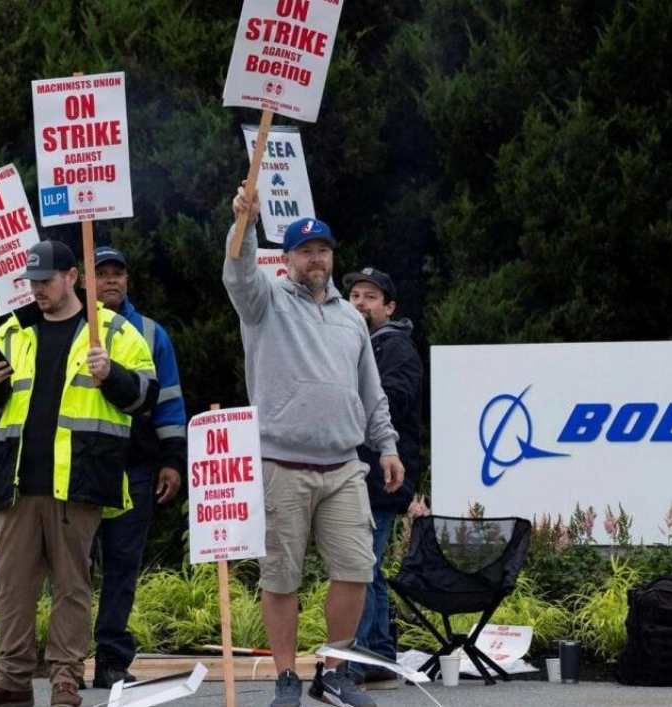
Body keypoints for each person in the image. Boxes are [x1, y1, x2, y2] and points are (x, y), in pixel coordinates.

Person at [223, 185, 404, 707]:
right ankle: (285, 677)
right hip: (281, 462)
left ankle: (334, 672)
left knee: (355, 569)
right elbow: (237, 271)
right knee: (282, 575)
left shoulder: (351, 316)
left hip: (345, 464)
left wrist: (386, 446)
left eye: (323, 249)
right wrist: (245, 223)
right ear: (289, 258)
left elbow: (370, 390)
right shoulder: (264, 300)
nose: (316, 258)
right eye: (305, 251)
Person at [0, 240, 158, 707]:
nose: (38, 290)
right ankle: (12, 679)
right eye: (32, 282)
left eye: (46, 280)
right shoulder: (10, 330)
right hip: (18, 481)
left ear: (72, 278)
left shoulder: (112, 330)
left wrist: (114, 375)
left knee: (72, 585)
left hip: (80, 479)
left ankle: (66, 678)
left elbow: (146, 398)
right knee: (12, 585)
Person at [89, 246, 187, 688]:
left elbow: (169, 401)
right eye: (101, 273)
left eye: (117, 273)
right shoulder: (70, 327)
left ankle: (111, 660)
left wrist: (171, 460)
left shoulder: (150, 332)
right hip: (81, 466)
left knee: (123, 564)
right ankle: (67, 660)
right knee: (72, 567)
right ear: (83, 280)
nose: (110, 280)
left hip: (135, 465)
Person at [341, 267, 423, 684]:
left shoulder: (396, 349)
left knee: (360, 567)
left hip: (381, 478)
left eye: (370, 297)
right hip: (362, 475)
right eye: (354, 295)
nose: (359, 303)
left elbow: (389, 401)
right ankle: (377, 656)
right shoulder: (354, 345)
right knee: (367, 566)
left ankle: (358, 660)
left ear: (389, 307)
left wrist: (341, 398)